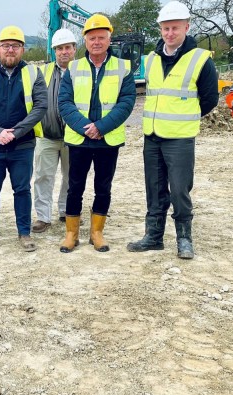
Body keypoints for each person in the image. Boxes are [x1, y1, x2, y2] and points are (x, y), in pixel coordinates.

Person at [127, 1, 219, 259]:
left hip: (179, 138)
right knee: (154, 189)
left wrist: (184, 117)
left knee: (179, 189)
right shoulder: (153, 58)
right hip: (152, 136)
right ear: (160, 29)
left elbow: (210, 98)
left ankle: (184, 239)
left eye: (175, 28)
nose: (169, 33)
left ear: (186, 27)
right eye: (165, 28)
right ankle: (153, 237)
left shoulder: (200, 59)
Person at [58, 14, 136, 253]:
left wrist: (101, 127)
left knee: (103, 186)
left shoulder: (123, 68)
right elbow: (65, 103)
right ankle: (71, 233)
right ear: (85, 41)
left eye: (101, 37)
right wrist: (86, 127)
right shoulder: (73, 68)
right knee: (75, 187)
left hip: (107, 139)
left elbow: (126, 102)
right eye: (92, 38)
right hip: (80, 140)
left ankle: (96, 232)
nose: (97, 42)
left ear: (109, 40)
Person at [0, 25, 47, 252]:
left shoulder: (34, 73)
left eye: (15, 46)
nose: (10, 50)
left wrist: (16, 132)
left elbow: (41, 106)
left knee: (22, 190)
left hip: (22, 145)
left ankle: (24, 233)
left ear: (23, 49)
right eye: (6, 46)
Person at [31, 28, 77, 234]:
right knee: (43, 176)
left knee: (71, 176)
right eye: (59, 48)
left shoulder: (81, 71)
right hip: (47, 135)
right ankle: (43, 216)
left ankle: (67, 211)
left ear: (75, 49)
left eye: (67, 47)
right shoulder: (44, 71)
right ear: (54, 51)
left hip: (73, 135)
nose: (64, 52)